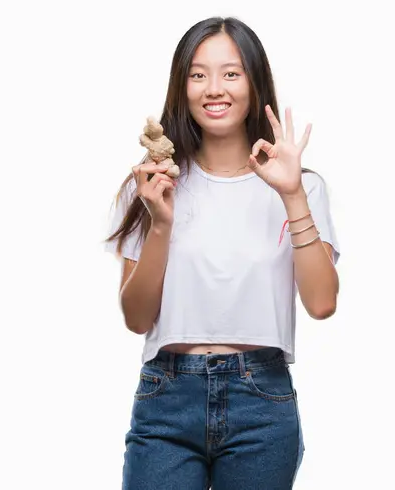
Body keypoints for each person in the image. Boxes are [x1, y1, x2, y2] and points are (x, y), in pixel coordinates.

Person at [103, 16, 340, 489]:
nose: (214, 88)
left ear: (254, 82)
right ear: (181, 85)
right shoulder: (151, 185)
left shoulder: (302, 186)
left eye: (231, 73)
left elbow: (322, 303)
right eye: (198, 74)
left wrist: (292, 196)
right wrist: (160, 224)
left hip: (261, 402)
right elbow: (136, 317)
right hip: (167, 399)